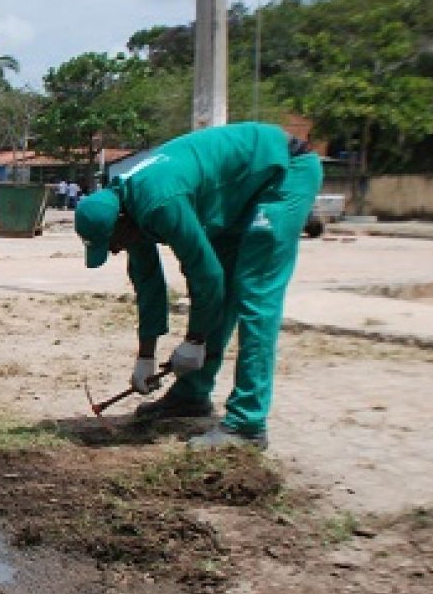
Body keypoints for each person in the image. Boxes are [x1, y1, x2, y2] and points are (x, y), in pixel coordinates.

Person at [73, 122, 322, 450]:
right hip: (235, 195)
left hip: (282, 172)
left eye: (112, 243)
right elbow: (148, 285)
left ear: (120, 223)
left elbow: (206, 277)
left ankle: (248, 423)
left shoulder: (158, 202)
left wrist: (194, 340)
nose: (115, 249)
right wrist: (144, 357)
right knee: (222, 293)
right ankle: (191, 396)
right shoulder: (125, 205)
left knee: (254, 291)